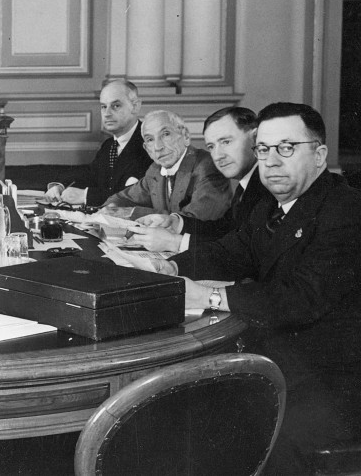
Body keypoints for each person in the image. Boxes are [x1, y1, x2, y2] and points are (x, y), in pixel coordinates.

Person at [123, 103, 361, 473]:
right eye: (263, 150)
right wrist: (169, 266)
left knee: (202, 425)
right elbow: (230, 252)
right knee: (168, 411)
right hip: (280, 361)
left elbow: (300, 298)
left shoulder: (345, 209)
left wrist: (210, 296)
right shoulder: (272, 205)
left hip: (332, 380)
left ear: (319, 154)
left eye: (287, 148)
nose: (271, 161)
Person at [126, 106, 266, 252]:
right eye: (211, 146)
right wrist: (174, 222)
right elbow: (225, 230)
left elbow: (244, 251)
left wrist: (176, 243)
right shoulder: (246, 185)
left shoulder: (267, 186)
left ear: (255, 138)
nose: (218, 155)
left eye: (226, 142)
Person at [101, 109, 230, 221]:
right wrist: (112, 207)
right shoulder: (155, 170)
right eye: (150, 140)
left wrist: (131, 212)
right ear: (146, 149)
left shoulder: (207, 167)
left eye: (166, 134)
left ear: (185, 136)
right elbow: (123, 198)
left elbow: (193, 221)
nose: (158, 147)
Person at [45, 80, 153, 206]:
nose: (107, 114)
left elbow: (136, 195)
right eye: (103, 106)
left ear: (135, 106)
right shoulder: (109, 145)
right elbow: (90, 174)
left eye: (116, 106)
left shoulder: (150, 143)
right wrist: (60, 186)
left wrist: (86, 196)